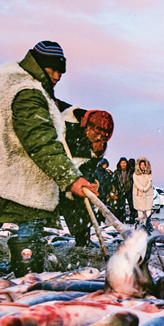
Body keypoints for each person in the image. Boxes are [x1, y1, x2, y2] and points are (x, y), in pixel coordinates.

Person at [0, 41, 97, 276]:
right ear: (40, 65)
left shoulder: (8, 77)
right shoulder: (27, 92)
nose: (57, 76)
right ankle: (28, 278)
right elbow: (40, 141)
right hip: (5, 172)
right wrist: (71, 179)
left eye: (60, 72)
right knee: (32, 220)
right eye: (53, 70)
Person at [57, 105, 114, 246]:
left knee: (82, 214)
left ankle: (82, 244)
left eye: (103, 137)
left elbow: (89, 168)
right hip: (52, 170)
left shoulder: (99, 146)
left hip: (75, 181)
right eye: (97, 133)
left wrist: (86, 183)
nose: (99, 138)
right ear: (86, 125)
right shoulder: (65, 118)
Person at [132, 157, 154, 222]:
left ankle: (148, 223)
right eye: (141, 165)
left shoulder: (149, 173)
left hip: (148, 193)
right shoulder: (135, 174)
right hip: (139, 194)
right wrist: (141, 188)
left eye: (144, 165)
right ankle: (140, 223)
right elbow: (136, 183)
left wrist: (146, 188)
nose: (142, 166)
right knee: (140, 210)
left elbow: (150, 182)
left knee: (148, 210)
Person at [113, 157, 133, 223]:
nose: (123, 164)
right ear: (119, 164)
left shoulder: (131, 171)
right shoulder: (116, 172)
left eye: (125, 163)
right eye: (122, 163)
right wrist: (115, 193)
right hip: (120, 191)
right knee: (120, 208)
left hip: (129, 191)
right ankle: (121, 221)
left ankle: (132, 221)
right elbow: (114, 183)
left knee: (132, 207)